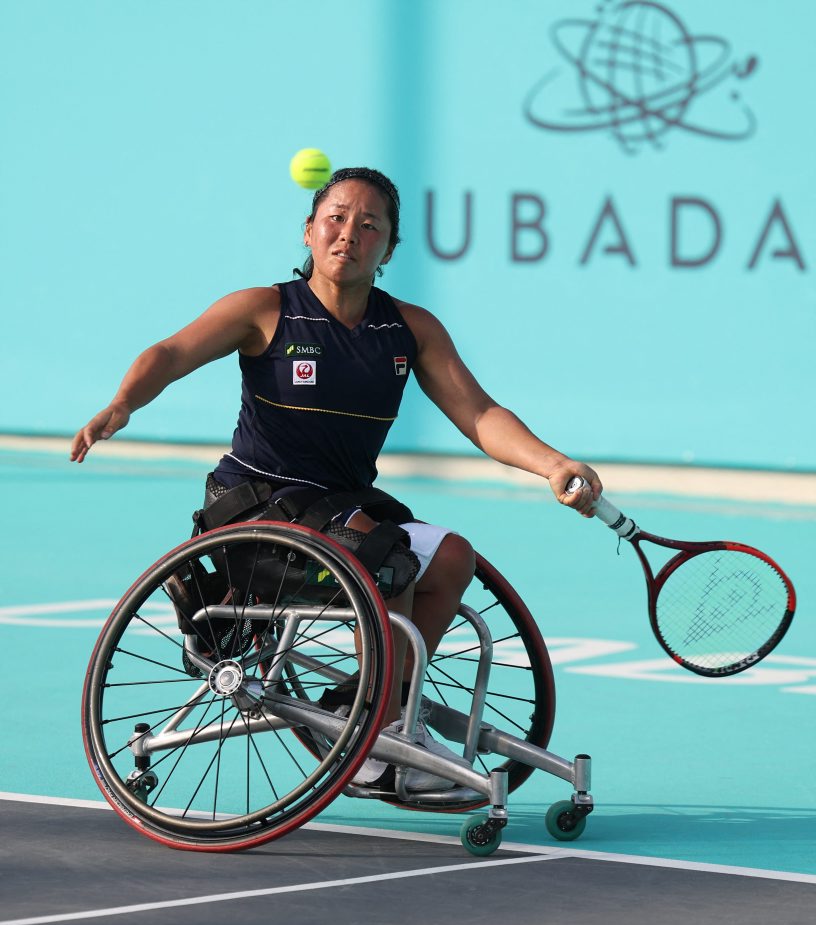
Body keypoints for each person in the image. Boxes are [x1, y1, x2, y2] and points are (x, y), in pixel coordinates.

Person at [71, 167, 602, 791]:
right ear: (309, 231)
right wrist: (124, 402)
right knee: (386, 558)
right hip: (257, 510)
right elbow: (171, 352)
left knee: (451, 557)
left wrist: (552, 464)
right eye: (336, 218)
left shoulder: (409, 330)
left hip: (342, 509)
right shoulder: (264, 310)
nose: (349, 233)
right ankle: (375, 742)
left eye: (369, 225)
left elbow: (480, 414)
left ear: (389, 249)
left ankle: (365, 705)